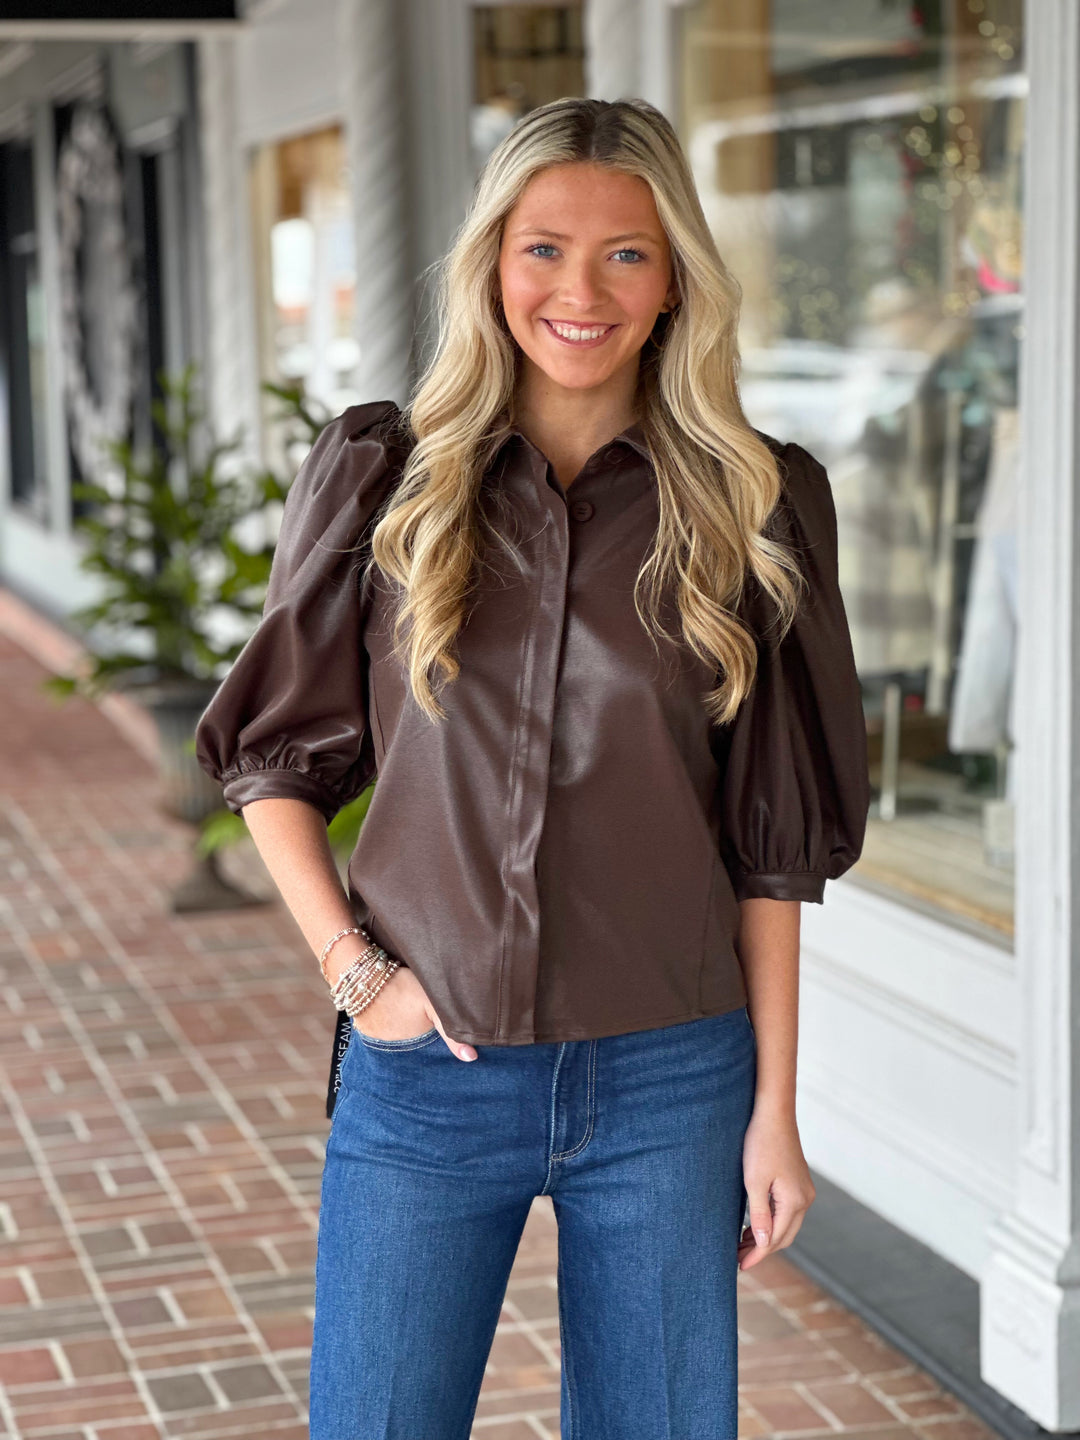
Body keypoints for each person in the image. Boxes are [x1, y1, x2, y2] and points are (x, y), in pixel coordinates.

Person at [195, 96, 869, 1440]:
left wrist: (775, 1112)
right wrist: (354, 973)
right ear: (491, 264)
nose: (581, 289)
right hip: (427, 1063)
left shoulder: (754, 503)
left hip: (672, 1080)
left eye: (626, 252)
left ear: (676, 275)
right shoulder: (385, 475)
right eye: (543, 248)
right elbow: (273, 759)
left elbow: (772, 846)